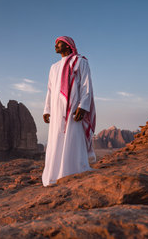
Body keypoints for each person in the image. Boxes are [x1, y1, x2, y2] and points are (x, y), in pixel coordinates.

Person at [42, 36, 96, 187]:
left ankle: (74, 170)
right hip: (56, 109)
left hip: (73, 108)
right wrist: (47, 109)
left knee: (73, 137)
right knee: (56, 139)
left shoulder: (80, 62)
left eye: (58, 43)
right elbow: (50, 90)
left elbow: (86, 86)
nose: (55, 46)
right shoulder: (54, 67)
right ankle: (54, 174)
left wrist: (83, 106)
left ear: (67, 45)